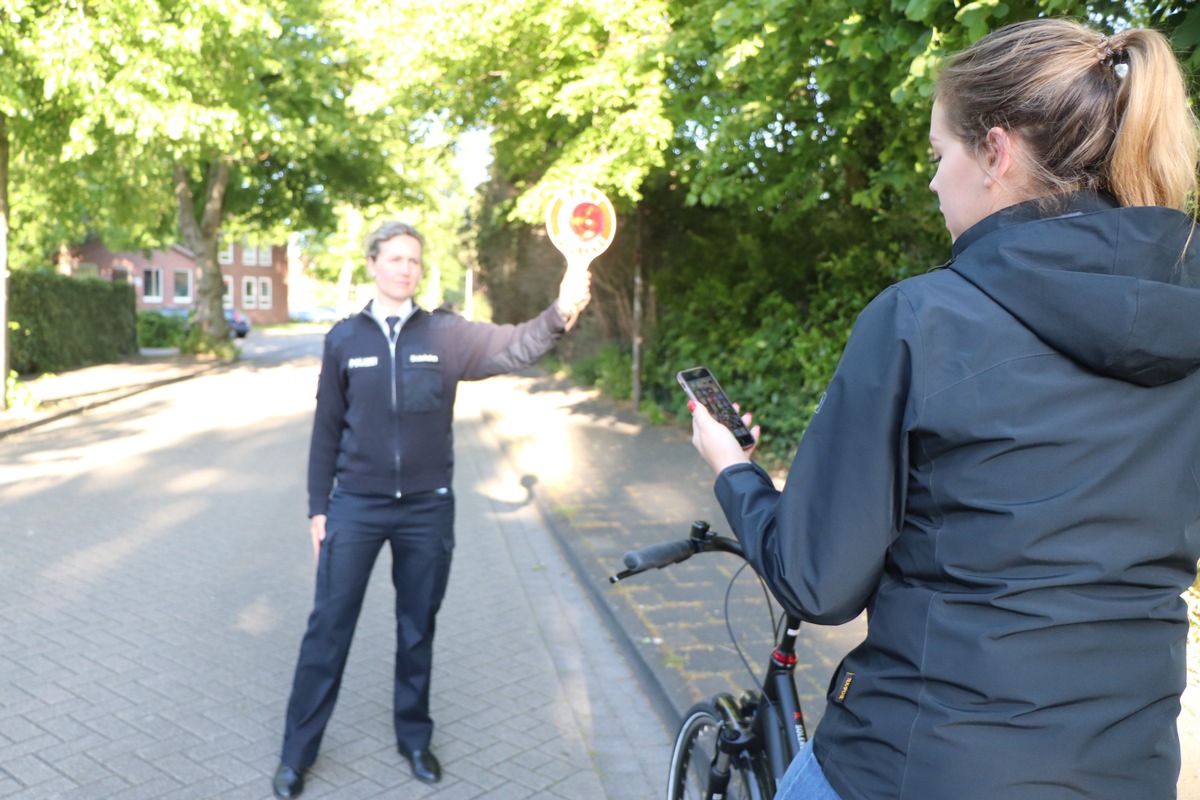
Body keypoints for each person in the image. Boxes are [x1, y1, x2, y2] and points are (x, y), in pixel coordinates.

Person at [689, 18, 1200, 800]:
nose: (932, 181)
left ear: (995, 152)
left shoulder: (923, 318)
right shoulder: (1184, 322)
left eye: (938, 156)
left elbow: (816, 582)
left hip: (916, 765)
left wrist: (733, 470)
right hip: (1128, 773)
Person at [272, 220, 591, 798]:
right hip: (356, 508)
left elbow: (512, 345)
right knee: (327, 630)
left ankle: (414, 739)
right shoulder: (344, 339)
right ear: (372, 264)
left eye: (414, 261)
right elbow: (326, 430)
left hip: (426, 511)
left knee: (417, 629)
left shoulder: (444, 333)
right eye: (394, 259)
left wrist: (560, 311)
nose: (405, 269)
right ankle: (297, 753)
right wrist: (320, 506)